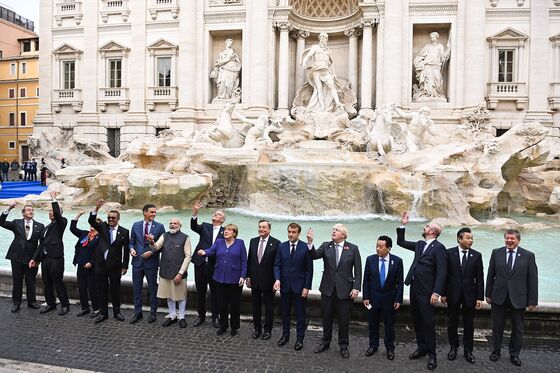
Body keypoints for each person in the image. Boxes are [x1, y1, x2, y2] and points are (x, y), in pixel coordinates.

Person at [396, 211, 447, 370]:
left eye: (426, 226)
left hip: (428, 291)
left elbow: (442, 272)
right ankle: (422, 348)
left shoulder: (439, 248)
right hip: (414, 288)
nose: (424, 227)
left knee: (428, 323)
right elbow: (401, 242)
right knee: (417, 320)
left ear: (432, 231)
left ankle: (432, 355)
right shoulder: (419, 244)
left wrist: (436, 292)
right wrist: (402, 225)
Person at [307, 224, 362, 358]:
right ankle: (325, 342)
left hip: (345, 291)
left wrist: (356, 287)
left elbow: (359, 271)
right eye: (333, 229)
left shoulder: (353, 248)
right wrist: (310, 242)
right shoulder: (326, 245)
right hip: (328, 290)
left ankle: (343, 346)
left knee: (344, 320)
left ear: (343, 235)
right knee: (326, 318)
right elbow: (314, 255)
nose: (333, 231)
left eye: (336, 230)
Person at [486, 229, 538, 367]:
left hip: (519, 298)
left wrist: (532, 301)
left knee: (518, 328)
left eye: (512, 239)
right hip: (498, 296)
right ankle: (495, 352)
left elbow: (533, 279)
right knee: (497, 327)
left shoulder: (528, 256)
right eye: (507, 238)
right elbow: (490, 274)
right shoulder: (496, 253)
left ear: (518, 240)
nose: (509, 241)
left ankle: (514, 355)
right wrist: (488, 294)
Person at [440, 227, 484, 364]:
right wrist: (443, 293)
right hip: (452, 294)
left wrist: (479, 297)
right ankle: (453, 347)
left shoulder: (477, 255)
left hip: (470, 296)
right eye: (468, 238)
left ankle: (468, 350)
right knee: (452, 323)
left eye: (472, 238)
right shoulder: (449, 253)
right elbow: (445, 275)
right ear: (459, 239)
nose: (471, 240)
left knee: (469, 324)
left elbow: (480, 278)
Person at [198, 224, 247, 336]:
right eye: (225, 230)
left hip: (235, 279)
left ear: (234, 233)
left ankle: (234, 327)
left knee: (234, 305)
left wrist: (243, 276)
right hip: (219, 278)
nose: (226, 231)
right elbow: (211, 251)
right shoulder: (219, 242)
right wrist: (204, 252)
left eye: (229, 230)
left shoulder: (240, 243)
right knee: (222, 304)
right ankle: (223, 326)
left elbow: (244, 261)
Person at [362, 235, 403, 361]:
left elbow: (399, 282)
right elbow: (366, 280)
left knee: (389, 326)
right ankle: (373, 346)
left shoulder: (397, 261)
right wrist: (366, 297)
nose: (378, 249)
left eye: (380, 246)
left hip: (389, 299)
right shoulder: (370, 260)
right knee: (373, 324)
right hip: (373, 299)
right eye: (377, 246)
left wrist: (398, 299)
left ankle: (390, 348)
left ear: (388, 248)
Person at [273, 223, 313, 351]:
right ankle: (285, 336)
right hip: (284, 286)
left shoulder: (305, 247)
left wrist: (306, 287)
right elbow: (277, 265)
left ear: (298, 233)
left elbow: (309, 270)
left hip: (300, 287)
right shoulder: (282, 246)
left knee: (300, 315)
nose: (291, 234)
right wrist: (277, 279)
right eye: (289, 231)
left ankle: (300, 339)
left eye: (293, 232)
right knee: (285, 314)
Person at [30, 191, 70, 316]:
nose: (51, 213)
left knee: (58, 282)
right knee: (47, 283)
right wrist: (34, 259)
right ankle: (51, 304)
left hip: (56, 258)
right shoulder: (47, 227)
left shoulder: (61, 222)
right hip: (46, 259)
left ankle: (65, 305)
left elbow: (57, 213)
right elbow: (41, 245)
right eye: (50, 212)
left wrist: (54, 198)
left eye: (53, 211)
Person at [89, 201, 129, 324]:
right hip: (100, 264)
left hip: (115, 266)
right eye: (109, 218)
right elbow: (91, 221)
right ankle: (103, 313)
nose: (111, 220)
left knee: (115, 289)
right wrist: (96, 208)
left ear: (118, 219)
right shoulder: (102, 227)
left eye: (113, 218)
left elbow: (126, 250)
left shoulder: (124, 231)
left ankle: (117, 312)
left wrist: (125, 266)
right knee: (101, 289)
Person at [0, 202, 44, 313]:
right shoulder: (16, 223)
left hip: (31, 259)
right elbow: (1, 222)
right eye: (28, 210)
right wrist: (8, 209)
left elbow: (41, 245)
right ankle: (16, 303)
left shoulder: (40, 226)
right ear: (23, 213)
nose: (31, 211)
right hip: (16, 256)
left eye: (32, 210)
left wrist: (37, 259)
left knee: (31, 281)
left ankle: (31, 302)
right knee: (17, 281)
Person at [149, 218, 192, 328]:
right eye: (171, 223)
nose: (172, 225)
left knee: (181, 296)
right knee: (169, 295)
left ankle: (182, 317)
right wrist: (152, 242)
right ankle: (172, 315)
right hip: (165, 271)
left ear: (180, 225)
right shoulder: (164, 235)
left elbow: (188, 257)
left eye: (175, 223)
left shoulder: (185, 238)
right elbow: (156, 247)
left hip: (179, 273)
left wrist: (180, 273)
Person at [129, 203, 165, 324]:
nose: (154, 214)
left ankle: (153, 313)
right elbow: (131, 242)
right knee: (136, 289)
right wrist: (131, 249)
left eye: (155, 212)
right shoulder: (135, 225)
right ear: (145, 212)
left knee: (152, 289)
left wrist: (152, 251)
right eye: (151, 212)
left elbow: (162, 246)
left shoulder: (160, 227)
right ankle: (137, 313)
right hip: (137, 262)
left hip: (152, 263)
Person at [190, 200, 224, 328]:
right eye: (215, 213)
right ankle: (201, 316)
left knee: (215, 292)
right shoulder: (205, 226)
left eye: (219, 214)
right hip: (200, 264)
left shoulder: (226, 231)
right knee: (200, 291)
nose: (216, 214)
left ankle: (215, 316)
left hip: (215, 266)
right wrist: (195, 212)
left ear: (222, 220)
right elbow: (194, 227)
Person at [246, 219, 281, 340]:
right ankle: (257, 329)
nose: (261, 229)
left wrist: (277, 280)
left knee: (269, 307)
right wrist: (248, 276)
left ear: (269, 229)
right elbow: (249, 260)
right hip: (254, 280)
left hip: (269, 281)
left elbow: (277, 264)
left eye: (264, 227)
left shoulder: (276, 243)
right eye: (260, 227)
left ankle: (267, 329)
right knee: (255, 306)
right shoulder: (253, 241)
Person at [301, 32, 343, 113]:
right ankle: (322, 107)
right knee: (318, 88)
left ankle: (337, 102)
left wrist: (333, 72)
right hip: (316, 69)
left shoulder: (328, 50)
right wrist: (304, 62)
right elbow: (309, 55)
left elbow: (332, 62)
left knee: (332, 86)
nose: (322, 40)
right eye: (321, 38)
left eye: (324, 38)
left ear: (326, 40)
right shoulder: (315, 47)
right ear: (319, 39)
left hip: (325, 70)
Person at [69, 211, 99, 318]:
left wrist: (92, 262)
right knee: (81, 287)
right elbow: (72, 228)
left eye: (94, 224)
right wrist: (78, 215)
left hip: (93, 267)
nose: (92, 226)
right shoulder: (84, 234)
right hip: (81, 264)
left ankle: (96, 309)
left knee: (92, 288)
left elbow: (100, 253)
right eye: (91, 224)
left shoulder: (100, 237)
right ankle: (85, 308)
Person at [413, 31, 451, 99]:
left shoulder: (440, 46)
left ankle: (437, 94)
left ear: (437, 38)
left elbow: (443, 57)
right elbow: (421, 55)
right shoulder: (427, 47)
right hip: (427, 66)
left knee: (438, 79)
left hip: (436, 66)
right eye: (431, 37)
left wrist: (448, 48)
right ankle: (427, 94)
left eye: (433, 37)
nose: (432, 39)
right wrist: (418, 61)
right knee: (428, 81)